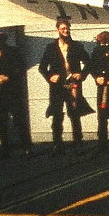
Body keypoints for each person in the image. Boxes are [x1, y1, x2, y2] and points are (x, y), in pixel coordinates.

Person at [38, 17, 93, 153]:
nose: (66, 30)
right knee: (57, 114)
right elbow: (42, 67)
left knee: (75, 113)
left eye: (67, 28)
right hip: (57, 86)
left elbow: (89, 63)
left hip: (73, 84)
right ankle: (57, 143)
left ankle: (78, 143)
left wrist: (81, 74)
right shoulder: (51, 47)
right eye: (63, 28)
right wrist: (50, 76)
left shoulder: (77, 46)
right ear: (57, 30)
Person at [0, 29, 33, 157]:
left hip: (12, 90)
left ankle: (27, 147)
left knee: (20, 119)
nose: (2, 41)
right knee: (0, 121)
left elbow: (21, 68)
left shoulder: (13, 52)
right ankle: (5, 148)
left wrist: (8, 77)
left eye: (3, 39)